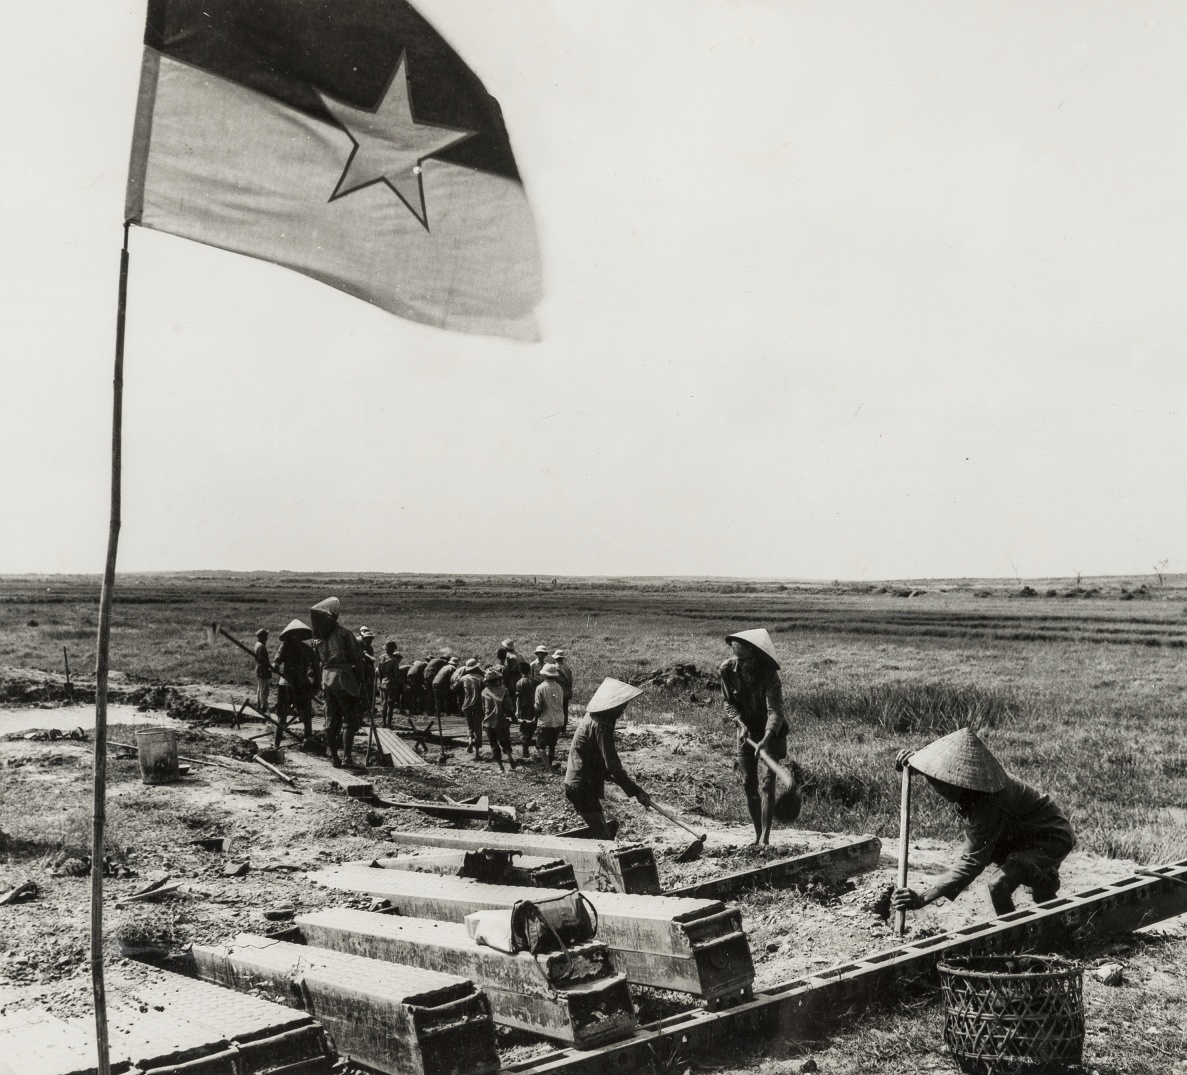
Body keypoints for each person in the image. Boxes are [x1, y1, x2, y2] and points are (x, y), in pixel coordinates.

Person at [891, 728, 1076, 917]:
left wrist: (923, 898)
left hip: (1051, 838)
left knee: (998, 884)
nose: (938, 788)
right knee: (1028, 881)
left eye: (942, 782)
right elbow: (937, 767)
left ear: (962, 782)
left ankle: (1012, 939)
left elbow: (972, 862)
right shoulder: (974, 788)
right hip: (1019, 834)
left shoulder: (989, 804)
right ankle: (1044, 881)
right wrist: (915, 763)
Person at [720, 628, 787, 845]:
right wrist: (740, 723)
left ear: (756, 656)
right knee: (749, 783)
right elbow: (728, 702)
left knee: (768, 784)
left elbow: (775, 709)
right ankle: (757, 834)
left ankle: (766, 839)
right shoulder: (727, 670)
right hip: (745, 731)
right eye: (741, 660)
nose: (745, 665)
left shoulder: (769, 674)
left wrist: (767, 737)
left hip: (771, 732)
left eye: (748, 660)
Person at [563, 677, 651, 838]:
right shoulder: (601, 725)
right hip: (581, 784)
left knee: (602, 830)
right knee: (603, 837)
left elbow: (605, 767)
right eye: (622, 704)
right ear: (612, 704)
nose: (624, 708)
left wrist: (634, 790)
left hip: (581, 784)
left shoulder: (593, 718)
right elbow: (612, 766)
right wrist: (636, 791)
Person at [309, 596, 365, 768]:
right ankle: (347, 758)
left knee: (331, 719)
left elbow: (316, 663)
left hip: (327, 679)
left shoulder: (317, 640)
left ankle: (334, 757)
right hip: (343, 678)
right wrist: (361, 676)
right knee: (350, 718)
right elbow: (356, 657)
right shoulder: (344, 633)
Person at [272, 619, 318, 747]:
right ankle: (276, 744)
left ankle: (307, 741)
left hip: (302, 684)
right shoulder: (285, 646)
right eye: (294, 634)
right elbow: (277, 660)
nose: (296, 637)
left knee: (306, 715)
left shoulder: (307, 649)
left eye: (299, 634)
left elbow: (316, 668)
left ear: (302, 635)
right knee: (282, 715)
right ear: (290, 635)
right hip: (287, 683)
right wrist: (275, 665)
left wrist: (315, 685)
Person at [480, 667, 517, 771]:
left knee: (494, 744)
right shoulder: (504, 690)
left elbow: (483, 708)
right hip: (501, 721)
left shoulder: (484, 692)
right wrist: (513, 716)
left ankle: (501, 767)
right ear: (497, 679)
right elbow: (508, 707)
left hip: (488, 722)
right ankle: (509, 756)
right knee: (505, 741)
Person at [534, 662, 567, 767]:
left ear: (544, 675)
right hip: (559, 719)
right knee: (552, 745)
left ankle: (548, 768)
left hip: (545, 720)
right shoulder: (559, 688)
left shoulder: (540, 688)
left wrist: (535, 719)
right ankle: (549, 763)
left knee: (540, 746)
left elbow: (538, 706)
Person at [515, 661, 539, 759]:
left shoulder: (519, 683)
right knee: (531, 728)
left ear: (520, 671)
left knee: (523, 728)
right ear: (529, 670)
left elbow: (518, 699)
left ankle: (524, 746)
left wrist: (517, 710)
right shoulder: (534, 682)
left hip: (523, 708)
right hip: (532, 707)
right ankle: (527, 744)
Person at [459, 659, 484, 755]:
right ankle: (477, 752)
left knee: (469, 725)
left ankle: (470, 740)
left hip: (467, 705)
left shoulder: (464, 678)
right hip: (478, 705)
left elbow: (455, 687)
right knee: (478, 727)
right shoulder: (481, 679)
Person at [378, 640, 402, 727]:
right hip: (391, 684)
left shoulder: (381, 658)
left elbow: (379, 672)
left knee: (384, 704)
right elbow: (397, 674)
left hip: (383, 683)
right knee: (390, 705)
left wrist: (380, 682)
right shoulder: (394, 660)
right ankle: (389, 724)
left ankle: (383, 723)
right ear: (393, 650)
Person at [551, 649, 574, 726]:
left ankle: (558, 726)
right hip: (566, 692)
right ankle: (564, 727)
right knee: (565, 710)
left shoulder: (554, 668)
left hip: (557, 692)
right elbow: (570, 681)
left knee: (557, 710)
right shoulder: (567, 668)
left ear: (555, 658)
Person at [253, 629, 272, 715]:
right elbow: (264, 661)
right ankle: (263, 707)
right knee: (264, 689)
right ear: (262, 637)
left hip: (259, 669)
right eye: (266, 636)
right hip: (262, 670)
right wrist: (268, 670)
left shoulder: (258, 645)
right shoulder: (261, 647)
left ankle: (259, 704)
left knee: (260, 688)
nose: (267, 638)